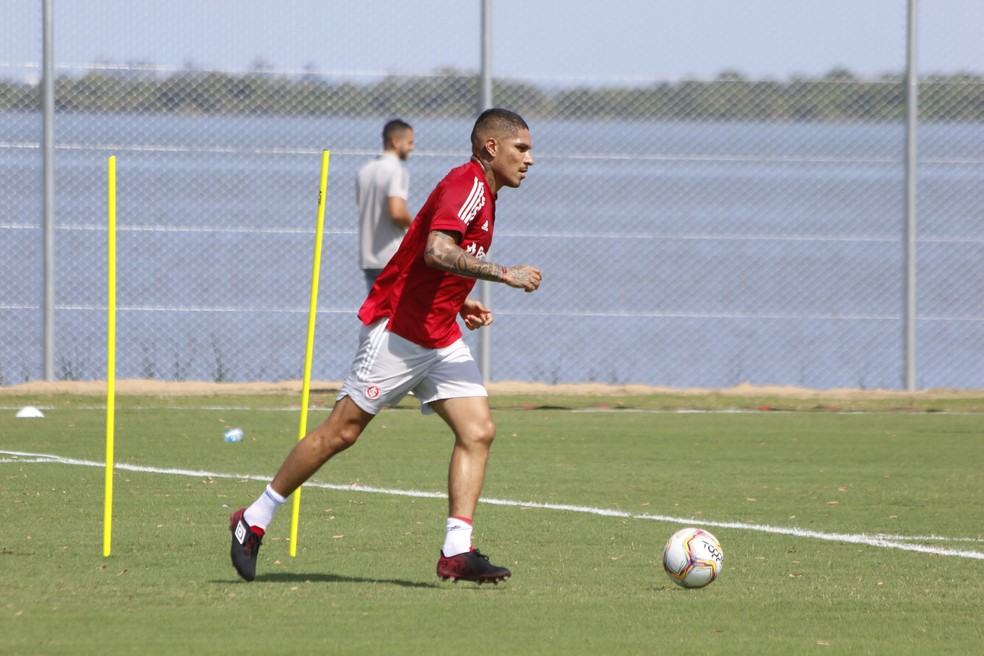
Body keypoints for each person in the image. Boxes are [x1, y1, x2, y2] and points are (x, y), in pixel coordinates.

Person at [229, 108, 542, 584]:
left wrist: (461, 304)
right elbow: (437, 250)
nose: (530, 159)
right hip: (398, 331)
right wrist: (504, 274)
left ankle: (456, 551)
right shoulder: (467, 185)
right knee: (342, 433)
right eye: (522, 148)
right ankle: (254, 518)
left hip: (440, 336)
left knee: (478, 431)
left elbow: (434, 259)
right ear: (491, 148)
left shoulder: (487, 193)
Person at [357, 118, 415, 293]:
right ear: (396, 142)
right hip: (391, 257)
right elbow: (396, 212)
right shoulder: (396, 171)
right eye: (410, 142)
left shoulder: (365, 170)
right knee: (394, 316)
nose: (412, 147)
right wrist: (416, 226)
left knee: (375, 316)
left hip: (368, 256)